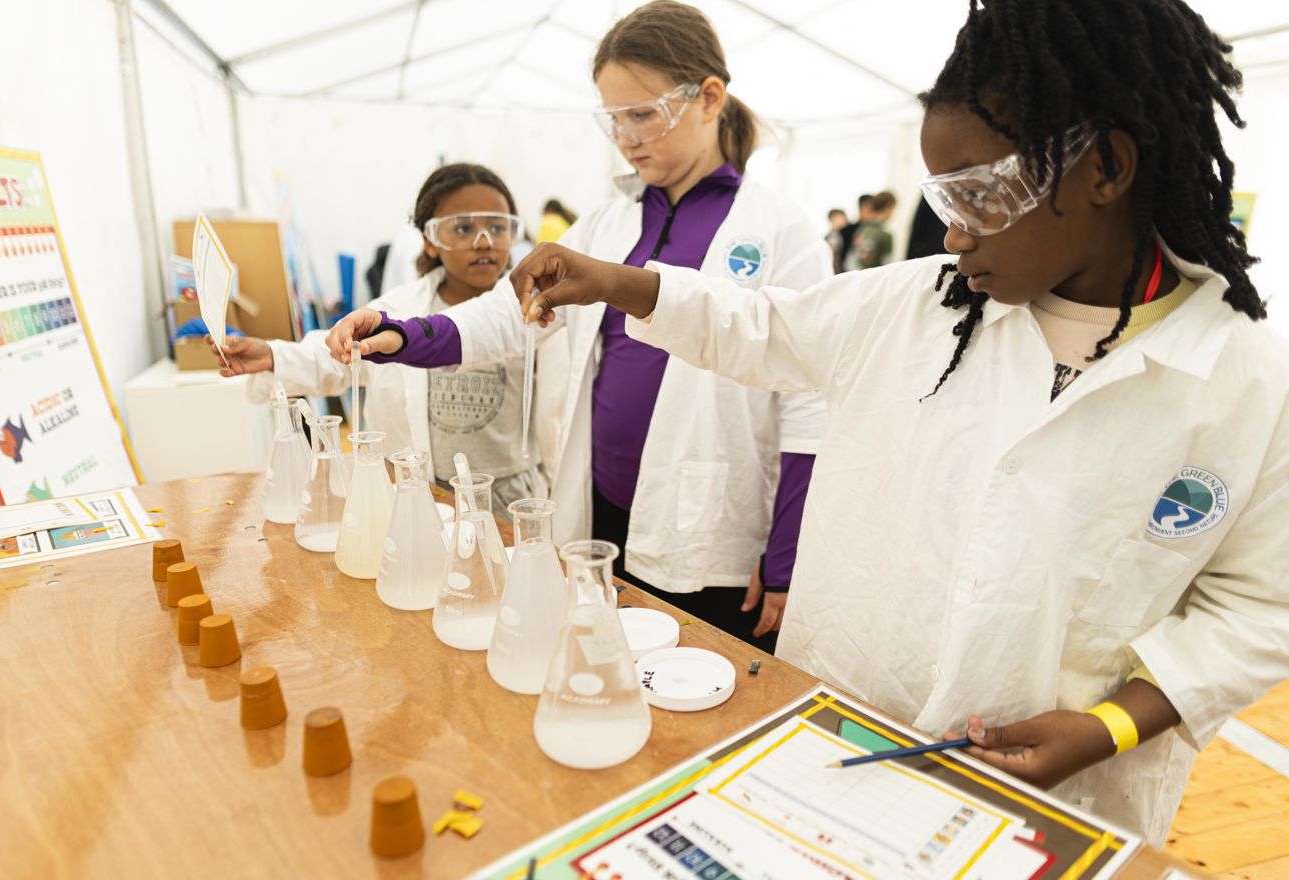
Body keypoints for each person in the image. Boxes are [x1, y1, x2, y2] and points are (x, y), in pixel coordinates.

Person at [503, 0, 1288, 845]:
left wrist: (1112, 728)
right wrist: (619, 282)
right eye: (943, 196)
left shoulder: (1244, 381)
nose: (952, 231)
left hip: (1054, 804)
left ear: (1106, 167)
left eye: (981, 193)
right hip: (838, 740)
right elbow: (762, 325)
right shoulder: (916, 307)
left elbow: (1256, 609)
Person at [326, 0, 828, 651]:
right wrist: (404, 336)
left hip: (709, 532)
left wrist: (786, 558)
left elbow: (808, 406)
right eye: (612, 119)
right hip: (600, 511)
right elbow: (513, 316)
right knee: (595, 668)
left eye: (643, 114)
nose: (626, 138)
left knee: (692, 691)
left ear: (709, 98)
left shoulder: (783, 232)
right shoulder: (610, 221)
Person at [214, 163, 546, 508]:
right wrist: (273, 355)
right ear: (430, 242)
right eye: (462, 228)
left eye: (497, 227)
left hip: (507, 498)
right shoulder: (401, 308)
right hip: (422, 494)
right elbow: (338, 353)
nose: (484, 243)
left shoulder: (535, 309)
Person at [847, 190, 896, 270]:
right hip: (877, 280)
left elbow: (850, 262)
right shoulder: (885, 235)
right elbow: (889, 266)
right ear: (888, 206)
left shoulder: (861, 230)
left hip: (859, 277)